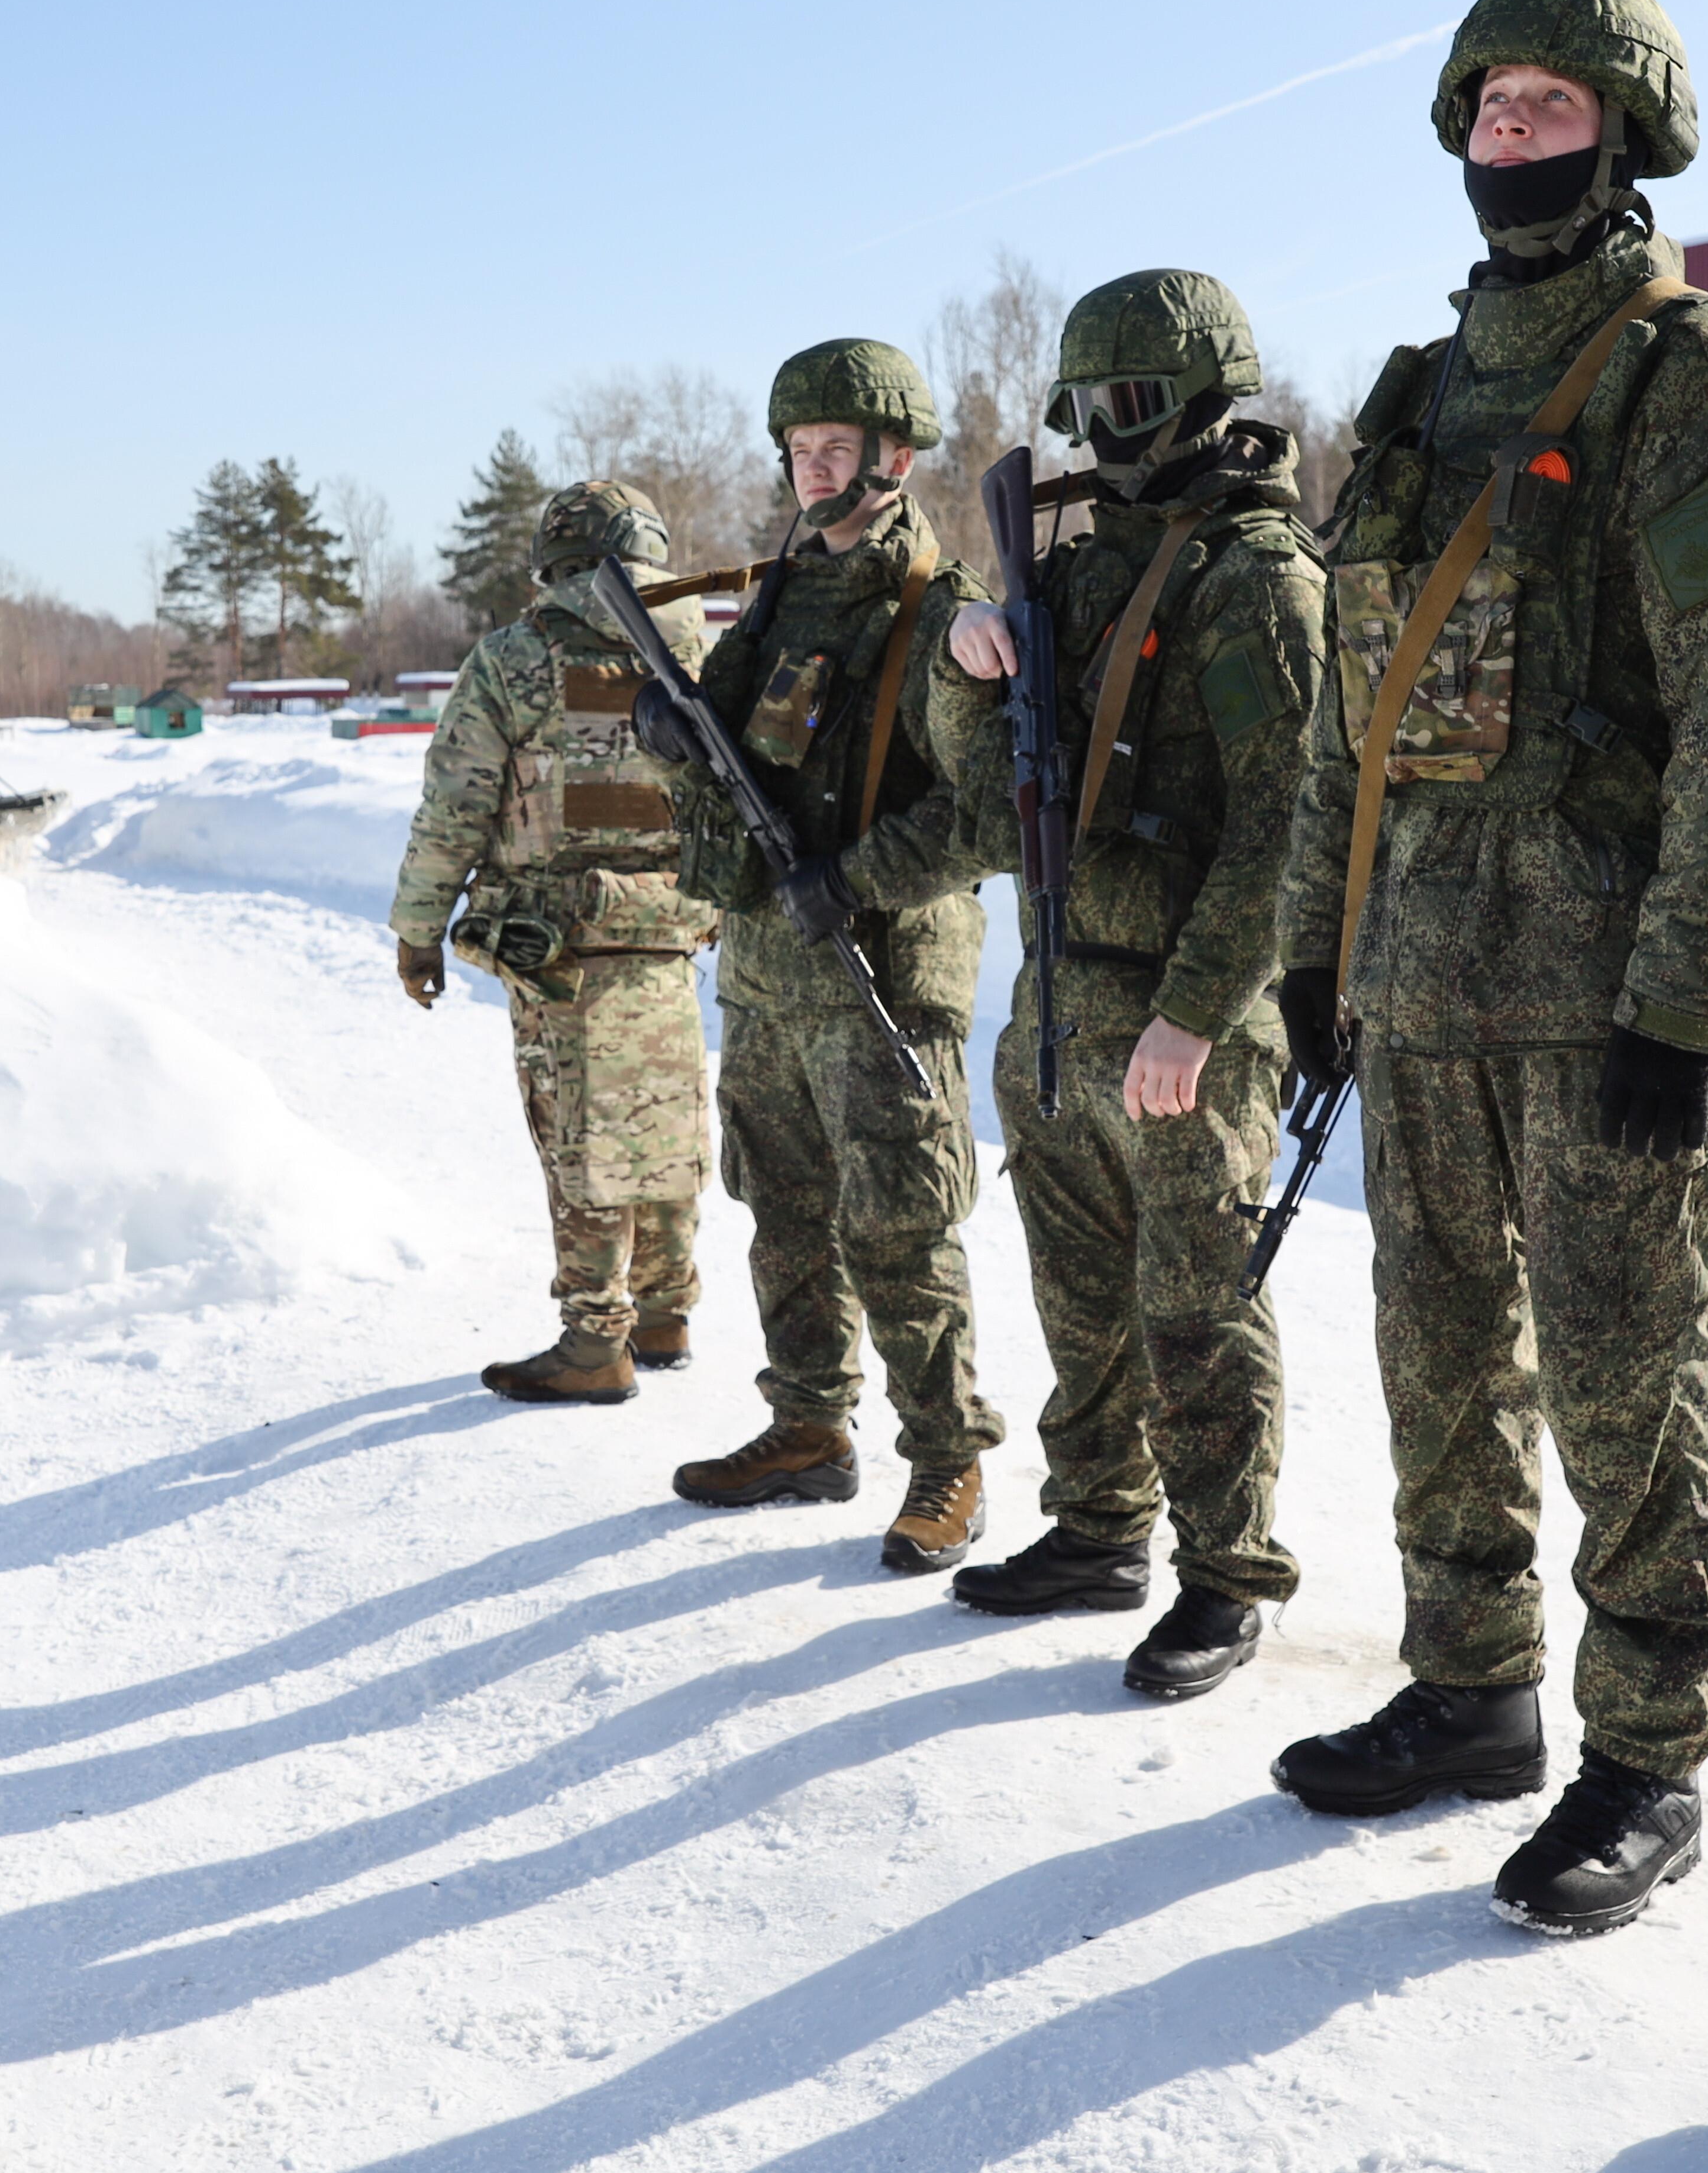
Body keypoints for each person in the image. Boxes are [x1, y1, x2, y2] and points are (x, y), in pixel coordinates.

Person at [1264, 0, 1708, 1929]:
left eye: (1552, 101)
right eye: (1491, 103)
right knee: (1435, 1353)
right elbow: (1353, 709)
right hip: (1417, 978)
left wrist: (1684, 1002)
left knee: (1621, 1371)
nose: (1516, 130)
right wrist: (1317, 955)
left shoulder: (1695, 383)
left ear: (1629, 129)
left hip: (1601, 999)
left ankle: (1649, 1750)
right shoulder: (1418, 398)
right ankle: (1473, 1681)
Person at [928, 270, 1328, 1697]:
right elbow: (991, 814)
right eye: (1087, 406)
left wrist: (1199, 1014)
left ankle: (1226, 1575)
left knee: (1196, 1310)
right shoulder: (1081, 568)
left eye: (1134, 404)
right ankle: (1098, 1525)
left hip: (1182, 1019)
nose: (1105, 430)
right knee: (1082, 1296)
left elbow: (1286, 831)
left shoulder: (1257, 580)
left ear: (1210, 396)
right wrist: (964, 664)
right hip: (1063, 1000)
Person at [632, 340, 1007, 1568]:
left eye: (832, 451)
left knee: (898, 1225)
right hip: (765, 971)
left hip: (877, 976)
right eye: (797, 452)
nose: (809, 472)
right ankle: (806, 1426)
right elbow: (744, 749)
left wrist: (847, 879)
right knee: (781, 1209)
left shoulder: (938, 614)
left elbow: (986, 813)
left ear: (893, 460)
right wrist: (673, 731)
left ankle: (946, 1463)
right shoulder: (785, 595)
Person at [388, 482, 719, 1400]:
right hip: (672, 926)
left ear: (554, 564)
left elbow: (454, 808)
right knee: (665, 1114)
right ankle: (665, 1309)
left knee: (577, 1128)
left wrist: (418, 933)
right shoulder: (704, 652)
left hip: (557, 940)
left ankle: (593, 1342)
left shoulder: (515, 657)